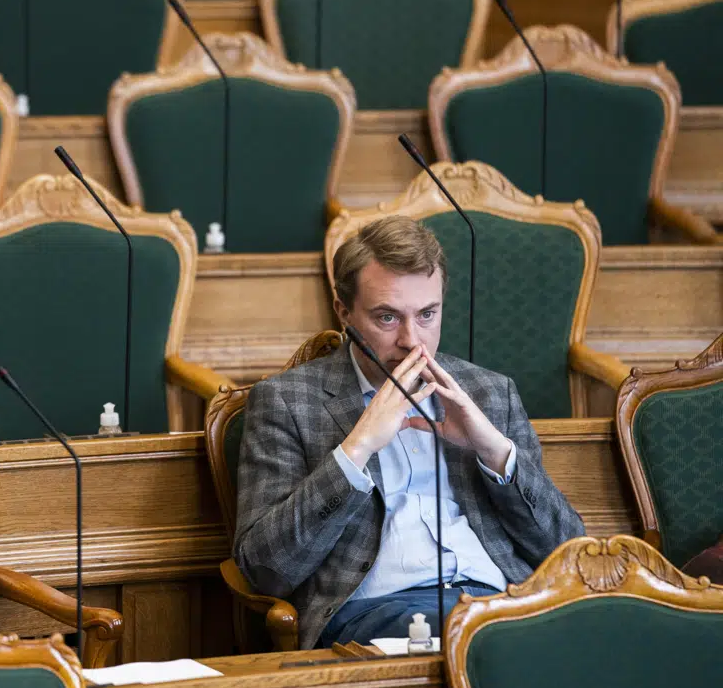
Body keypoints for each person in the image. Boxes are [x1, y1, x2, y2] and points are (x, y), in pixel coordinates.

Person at [234, 215, 584, 649]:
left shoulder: (490, 393)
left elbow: (567, 549)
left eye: (427, 315)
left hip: (499, 605)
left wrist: (494, 453)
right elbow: (265, 567)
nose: (411, 340)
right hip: (378, 614)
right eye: (387, 318)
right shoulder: (287, 401)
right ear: (344, 312)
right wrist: (356, 450)